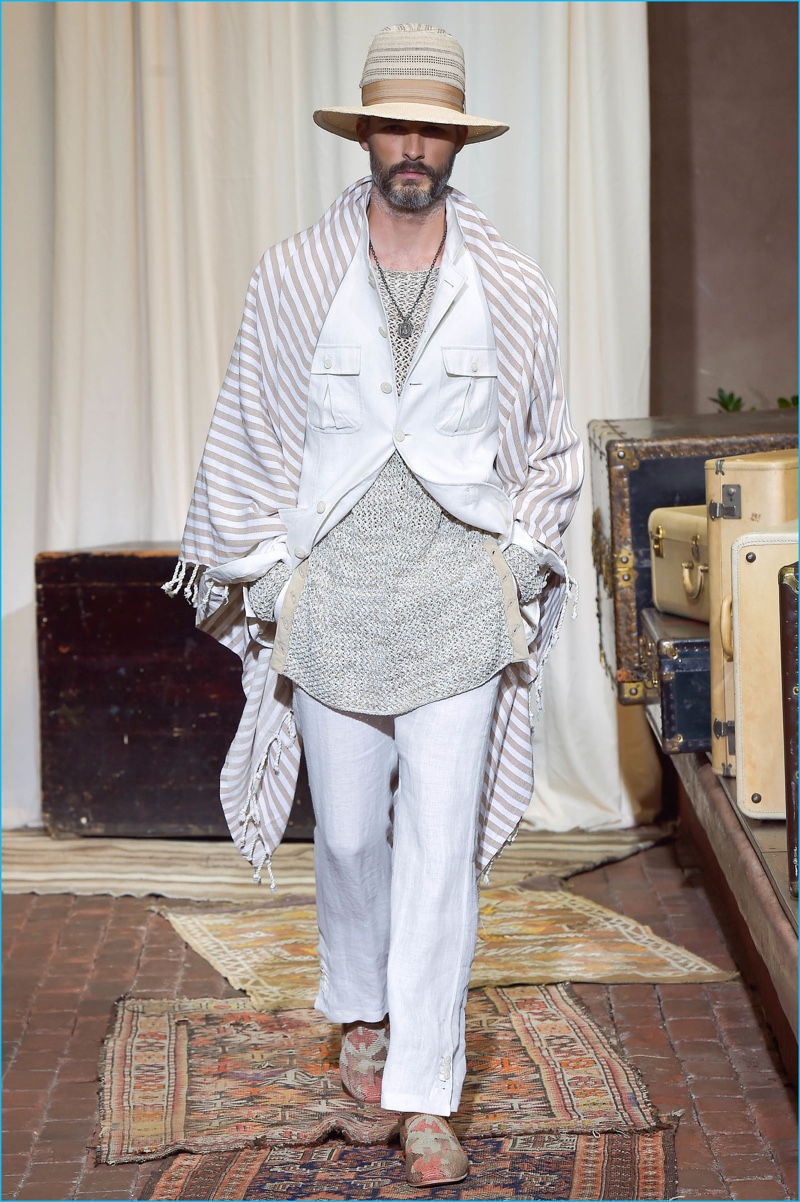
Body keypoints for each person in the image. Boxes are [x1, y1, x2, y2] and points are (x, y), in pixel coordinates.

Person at [166, 23, 583, 1187]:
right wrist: (267, 574)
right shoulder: (295, 273)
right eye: (393, 125)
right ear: (364, 135)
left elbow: (548, 442)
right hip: (336, 594)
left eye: (431, 129)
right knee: (348, 833)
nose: (411, 146)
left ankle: (422, 1090)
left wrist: (515, 563)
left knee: (437, 847)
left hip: (454, 592)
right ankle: (361, 1014)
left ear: (455, 141)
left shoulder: (506, 281)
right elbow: (247, 428)